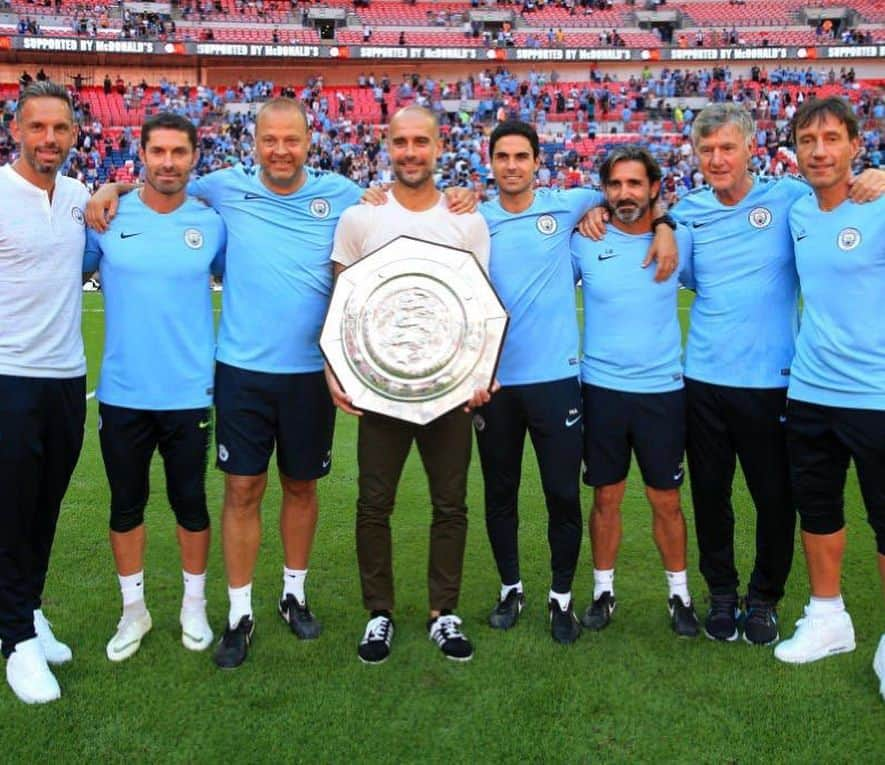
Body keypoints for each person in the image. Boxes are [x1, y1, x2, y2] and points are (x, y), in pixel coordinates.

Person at [86, 98, 473, 670]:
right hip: (241, 372)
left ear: (309, 141)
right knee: (242, 491)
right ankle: (239, 611)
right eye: (270, 140)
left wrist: (468, 196)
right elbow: (162, 179)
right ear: (254, 142)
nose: (281, 150)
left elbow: (409, 209)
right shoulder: (225, 188)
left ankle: (294, 594)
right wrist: (110, 189)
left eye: (291, 140)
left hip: (310, 375)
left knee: (301, 488)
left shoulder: (345, 194)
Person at [668, 103, 884, 646]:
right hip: (704, 378)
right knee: (711, 496)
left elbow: (841, 191)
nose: (717, 160)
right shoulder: (686, 210)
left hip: (774, 380)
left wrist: (879, 174)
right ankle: (721, 595)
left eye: (727, 148)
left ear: (751, 149)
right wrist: (659, 223)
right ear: (696, 155)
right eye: (707, 150)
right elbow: (666, 245)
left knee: (775, 499)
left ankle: (764, 600)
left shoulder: (789, 198)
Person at [476, 120, 677, 644]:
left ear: (538, 162)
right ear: (490, 162)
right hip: (492, 384)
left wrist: (665, 225)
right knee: (499, 493)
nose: (513, 165)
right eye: (503, 156)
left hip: (559, 379)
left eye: (523, 155)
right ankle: (510, 587)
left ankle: (560, 598)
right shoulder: (473, 217)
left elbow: (637, 199)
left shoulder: (570, 205)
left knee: (562, 494)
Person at [328, 106, 491, 664]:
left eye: (421, 141)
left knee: (451, 504)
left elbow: (478, 306)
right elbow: (340, 302)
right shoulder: (359, 218)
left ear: (440, 146)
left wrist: (479, 377)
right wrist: (334, 368)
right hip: (381, 388)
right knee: (374, 503)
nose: (411, 152)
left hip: (448, 389)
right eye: (401, 142)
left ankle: (444, 611)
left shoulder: (466, 219)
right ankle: (380, 613)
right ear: (387, 145)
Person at [83, 113, 226, 663]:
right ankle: (133, 611)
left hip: (190, 392)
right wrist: (108, 188)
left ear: (194, 157)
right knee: (126, 505)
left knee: (190, 502)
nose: (168, 162)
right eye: (158, 151)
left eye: (179, 152)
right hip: (122, 393)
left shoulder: (212, 224)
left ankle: (193, 605)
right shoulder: (108, 216)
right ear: (141, 154)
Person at [773, 98, 885, 702]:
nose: (820, 150)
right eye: (808, 139)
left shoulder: (881, 203)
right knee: (817, 510)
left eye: (832, 138)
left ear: (854, 146)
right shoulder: (794, 211)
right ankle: (827, 619)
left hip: (878, 394)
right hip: (811, 390)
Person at [572, 146, 699, 638]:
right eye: (615, 185)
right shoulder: (584, 240)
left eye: (634, 184)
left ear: (653, 189)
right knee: (606, 496)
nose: (625, 194)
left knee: (665, 498)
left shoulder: (680, 239)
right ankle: (603, 590)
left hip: (662, 391)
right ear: (604, 191)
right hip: (601, 390)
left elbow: (707, 282)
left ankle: (679, 594)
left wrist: (665, 226)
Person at [0, 82, 87, 704]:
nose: (48, 139)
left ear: (74, 134)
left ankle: (27, 612)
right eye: (37, 128)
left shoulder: (83, 196)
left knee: (45, 506)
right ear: (17, 132)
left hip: (67, 377)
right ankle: (15, 642)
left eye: (59, 128)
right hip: (8, 376)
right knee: (10, 510)